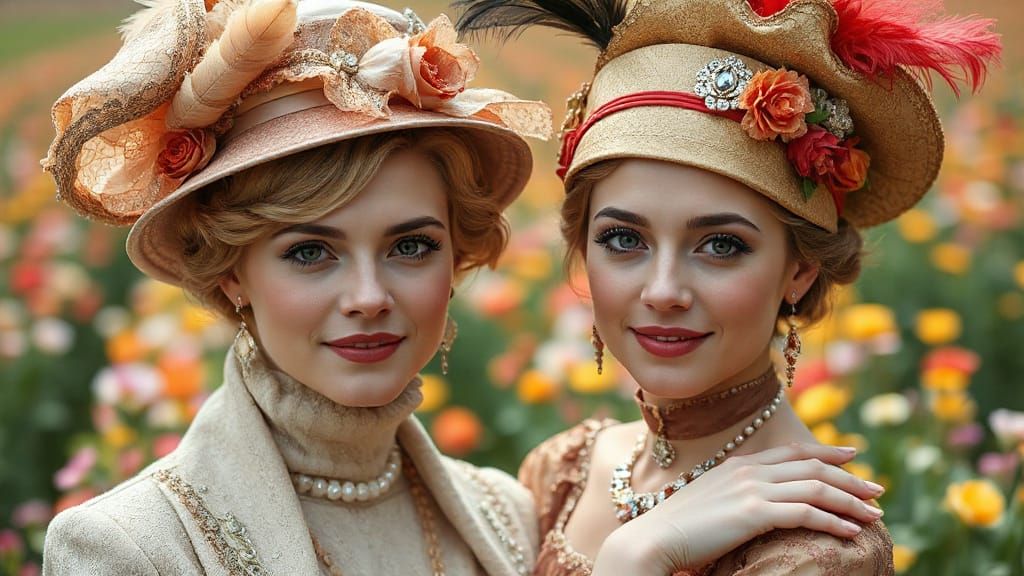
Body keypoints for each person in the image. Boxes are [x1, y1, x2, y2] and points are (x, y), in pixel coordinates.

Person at [41, 0, 904, 574]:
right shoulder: (127, 549)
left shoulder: (502, 512)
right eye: (309, 252)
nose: (369, 295)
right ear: (230, 270)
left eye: (411, 245)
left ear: (457, 255)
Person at [455, 0, 1001, 574]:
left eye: (721, 245)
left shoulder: (815, 552)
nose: (663, 291)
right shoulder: (563, 470)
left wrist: (636, 557)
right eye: (623, 238)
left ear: (800, 268)